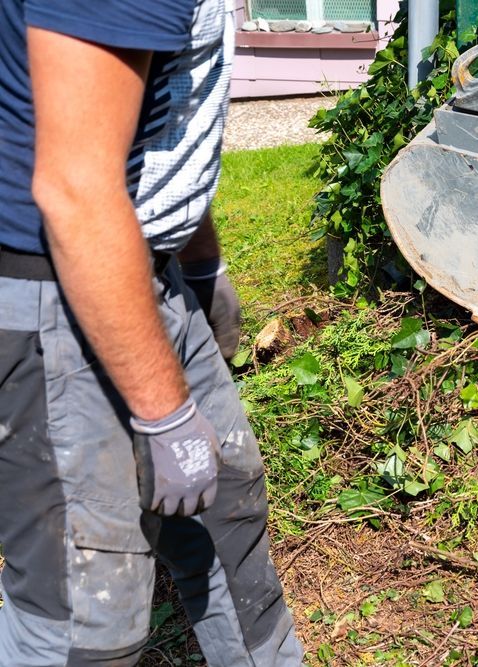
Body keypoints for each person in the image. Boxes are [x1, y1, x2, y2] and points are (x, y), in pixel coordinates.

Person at [0, 0, 303, 663]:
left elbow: (162, 123)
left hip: (139, 269)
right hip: (57, 291)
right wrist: (164, 414)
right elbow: (74, 189)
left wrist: (200, 262)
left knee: (228, 516)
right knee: (86, 618)